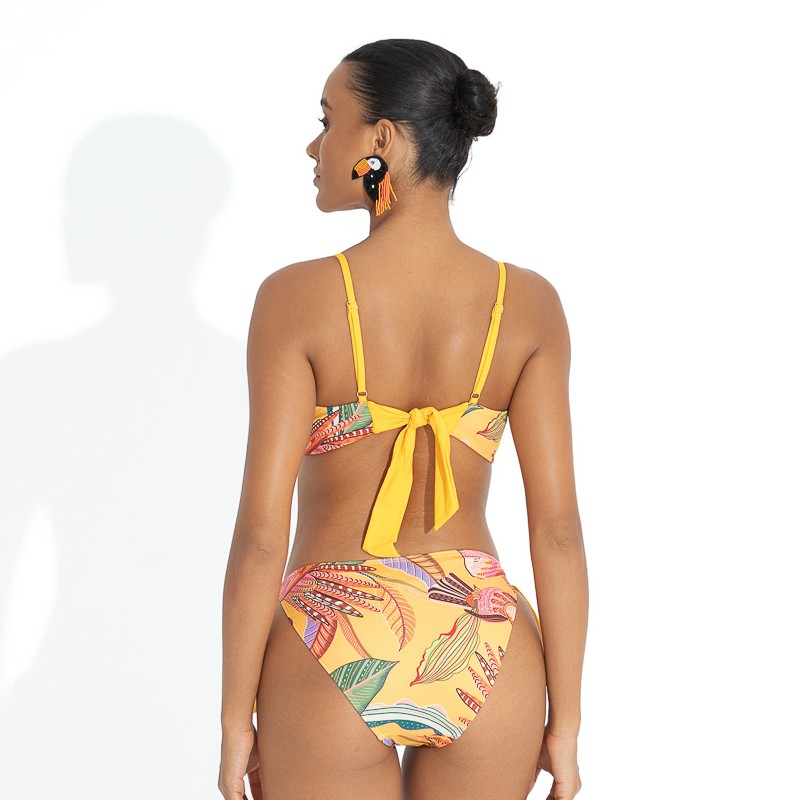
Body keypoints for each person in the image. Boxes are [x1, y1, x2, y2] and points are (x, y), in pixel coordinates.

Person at [219, 38, 588, 800]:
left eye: (328, 122)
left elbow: (260, 535)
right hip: (483, 635)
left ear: (380, 139)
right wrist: (568, 723)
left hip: (333, 631)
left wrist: (232, 720)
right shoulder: (529, 305)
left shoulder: (295, 300)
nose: (315, 147)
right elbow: (556, 531)